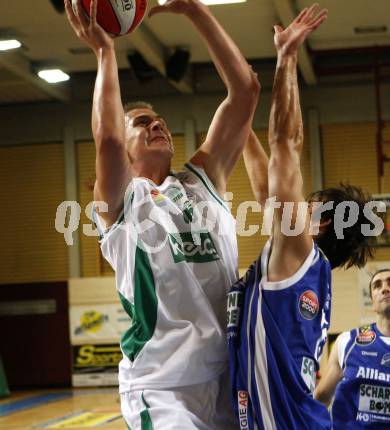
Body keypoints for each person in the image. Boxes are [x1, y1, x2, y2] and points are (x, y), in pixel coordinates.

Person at [65, 0, 260, 428]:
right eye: (143, 122)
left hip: (228, 377)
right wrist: (105, 52)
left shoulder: (202, 181)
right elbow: (109, 142)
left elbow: (245, 90)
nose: (158, 125)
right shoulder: (119, 200)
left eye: (161, 120)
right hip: (161, 384)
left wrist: (195, 12)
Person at [227, 4, 376, 429]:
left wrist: (287, 57)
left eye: (310, 202)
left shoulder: (299, 251)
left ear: (323, 222)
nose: (299, 202)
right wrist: (236, 117)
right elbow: (265, 186)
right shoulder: (301, 262)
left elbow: (285, 146)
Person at [315, 269, 390, 429]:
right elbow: (322, 397)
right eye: (377, 286)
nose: (385, 288)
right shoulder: (347, 341)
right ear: (373, 302)